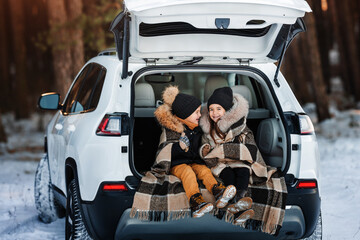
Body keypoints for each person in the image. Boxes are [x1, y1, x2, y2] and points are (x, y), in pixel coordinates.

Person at [131, 85, 236, 220]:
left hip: (194, 161)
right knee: (188, 173)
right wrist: (178, 147)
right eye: (197, 112)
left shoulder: (197, 129)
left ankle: (218, 191)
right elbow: (164, 150)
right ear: (185, 115)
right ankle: (196, 201)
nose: (200, 115)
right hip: (177, 164)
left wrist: (203, 149)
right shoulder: (172, 130)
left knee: (204, 170)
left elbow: (201, 145)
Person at [199, 87, 256, 225]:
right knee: (228, 175)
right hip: (220, 163)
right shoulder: (208, 129)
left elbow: (250, 147)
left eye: (219, 109)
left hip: (237, 161)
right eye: (211, 109)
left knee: (243, 171)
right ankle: (232, 202)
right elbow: (203, 147)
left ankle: (239, 199)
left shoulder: (240, 127)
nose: (214, 113)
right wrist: (205, 151)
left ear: (227, 109)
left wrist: (230, 150)